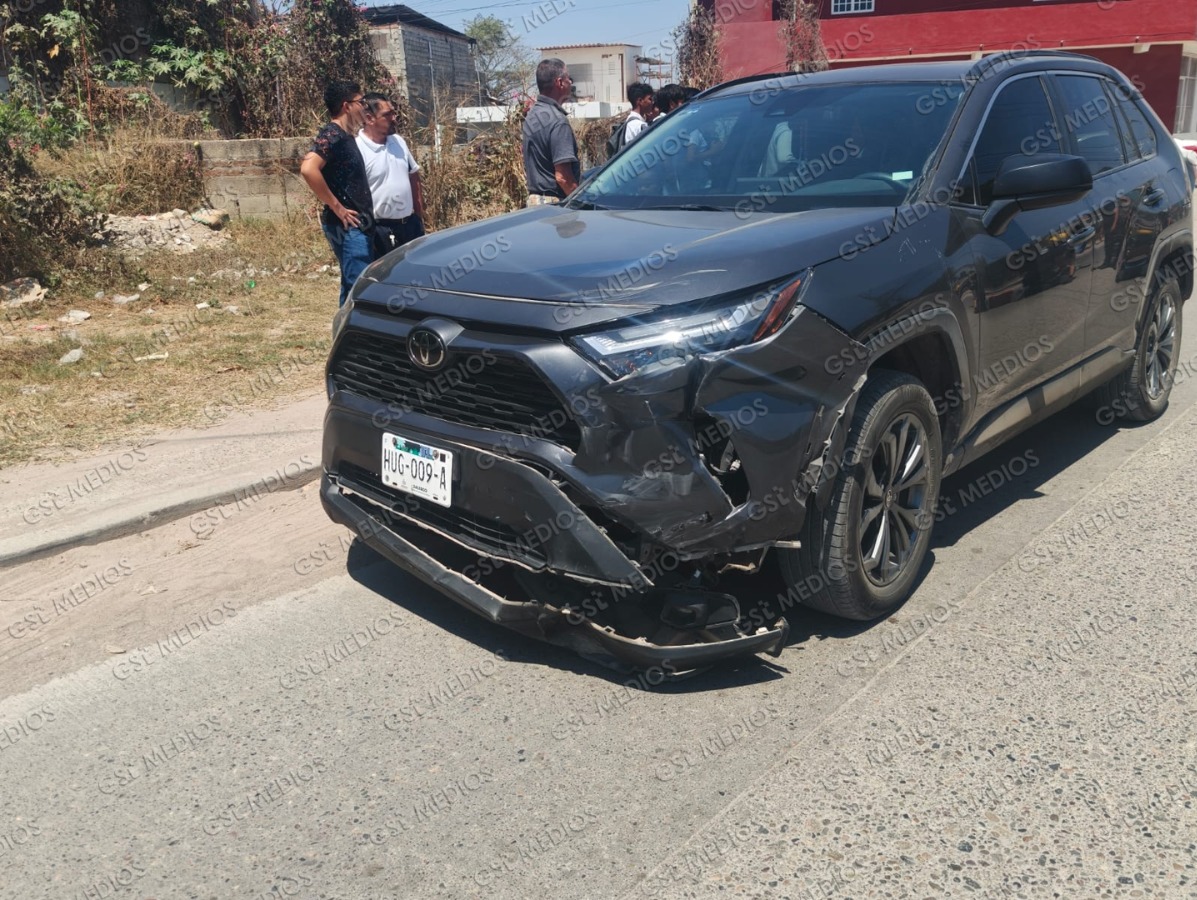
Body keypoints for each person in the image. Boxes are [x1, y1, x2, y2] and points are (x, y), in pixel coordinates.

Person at [300, 81, 372, 306]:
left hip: (356, 225)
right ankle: (357, 337)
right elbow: (308, 169)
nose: (365, 107)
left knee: (352, 284)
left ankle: (344, 335)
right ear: (346, 106)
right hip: (346, 227)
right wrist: (337, 207)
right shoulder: (332, 134)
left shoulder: (345, 135)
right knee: (359, 288)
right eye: (361, 102)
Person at [356, 92, 426, 260]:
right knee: (386, 279)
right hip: (380, 230)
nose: (394, 118)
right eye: (387, 115)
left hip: (410, 226)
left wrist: (418, 216)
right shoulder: (357, 149)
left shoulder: (399, 142)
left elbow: (413, 176)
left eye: (393, 112)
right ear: (369, 118)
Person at [521, 58, 580, 206]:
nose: (571, 84)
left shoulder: (533, 115)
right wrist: (581, 203)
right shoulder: (558, 121)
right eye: (569, 79)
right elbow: (563, 177)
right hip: (555, 204)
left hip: (535, 202)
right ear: (560, 83)